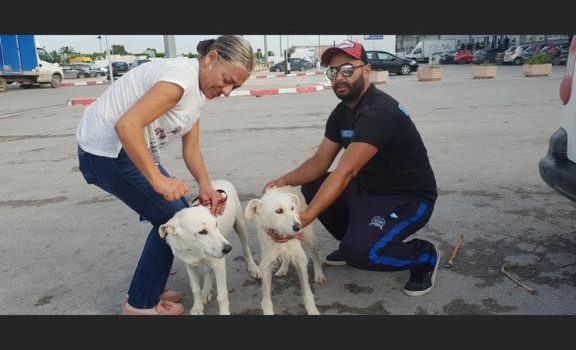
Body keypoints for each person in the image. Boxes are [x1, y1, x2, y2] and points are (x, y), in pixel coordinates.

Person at [76, 35, 254, 315]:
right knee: (173, 220)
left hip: (126, 151)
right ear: (211, 58)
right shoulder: (179, 80)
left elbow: (192, 147)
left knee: (179, 213)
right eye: (228, 79)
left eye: (236, 86)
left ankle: (147, 287)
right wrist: (158, 180)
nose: (229, 91)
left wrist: (205, 185)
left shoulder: (198, 91)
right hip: (105, 153)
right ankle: (140, 305)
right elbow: (127, 125)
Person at [264, 40, 439, 297]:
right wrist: (280, 181)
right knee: (312, 184)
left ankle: (422, 256)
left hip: (406, 199)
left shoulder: (379, 112)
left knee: (364, 253)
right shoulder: (342, 112)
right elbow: (319, 163)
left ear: (367, 70)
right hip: (367, 190)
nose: (338, 78)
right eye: (333, 72)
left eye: (347, 69)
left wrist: (304, 218)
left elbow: (345, 171)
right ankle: (352, 243)